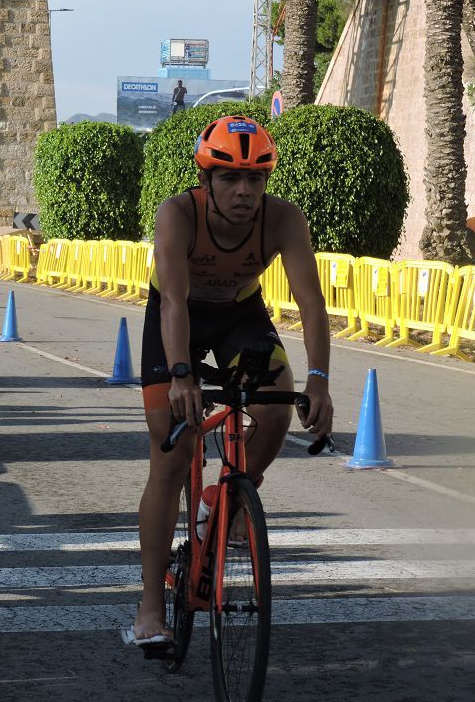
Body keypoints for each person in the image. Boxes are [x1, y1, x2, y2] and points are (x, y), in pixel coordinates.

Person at [131, 115, 334, 644]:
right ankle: (150, 608)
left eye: (255, 179)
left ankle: (226, 501)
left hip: (239, 316)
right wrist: (181, 375)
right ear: (206, 181)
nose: (244, 192)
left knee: (274, 407)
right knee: (171, 453)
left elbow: (311, 302)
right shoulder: (177, 214)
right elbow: (173, 299)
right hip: (175, 317)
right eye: (229, 178)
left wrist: (318, 380)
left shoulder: (284, 219)